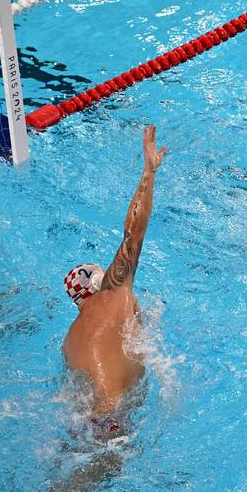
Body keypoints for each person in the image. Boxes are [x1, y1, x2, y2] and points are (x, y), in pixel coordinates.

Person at [61, 124, 166, 440]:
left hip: (85, 426)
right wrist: (149, 172)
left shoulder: (71, 339)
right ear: (98, 283)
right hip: (113, 422)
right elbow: (133, 232)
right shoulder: (113, 294)